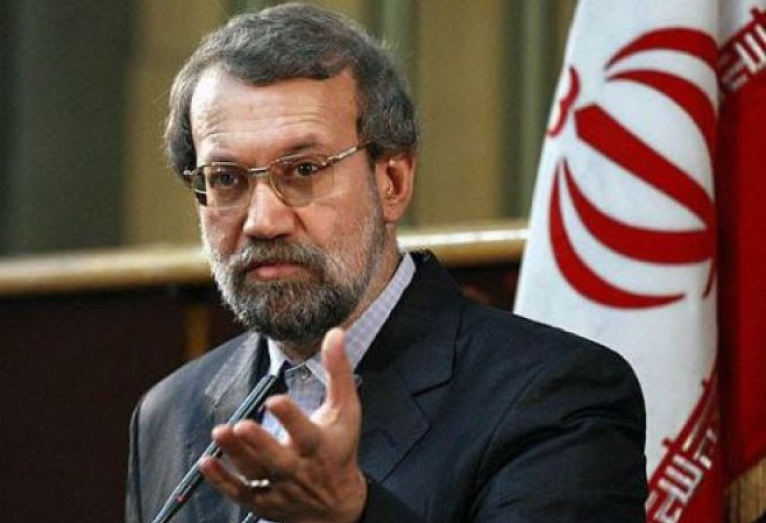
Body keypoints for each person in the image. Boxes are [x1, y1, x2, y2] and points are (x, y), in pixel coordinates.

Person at [125, 3, 647, 523]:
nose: (263, 221)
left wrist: (354, 514)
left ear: (392, 182)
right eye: (226, 179)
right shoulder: (169, 415)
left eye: (304, 170)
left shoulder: (554, 393)